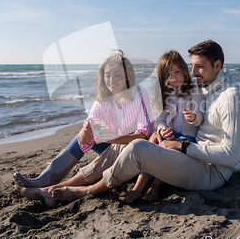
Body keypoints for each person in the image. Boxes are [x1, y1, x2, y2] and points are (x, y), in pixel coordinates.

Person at [29, 40, 240, 204]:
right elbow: (170, 108)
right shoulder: (209, 89)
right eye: (192, 66)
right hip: (196, 159)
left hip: (210, 173)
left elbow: (232, 156)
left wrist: (183, 145)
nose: (192, 71)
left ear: (217, 65)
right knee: (123, 146)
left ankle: (86, 191)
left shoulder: (231, 96)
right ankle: (53, 184)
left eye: (199, 67)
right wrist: (160, 130)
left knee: (137, 146)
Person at [13, 50, 154, 190]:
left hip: (134, 150)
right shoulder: (101, 102)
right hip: (111, 147)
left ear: (127, 76)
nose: (112, 80)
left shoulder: (140, 94)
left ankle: (62, 183)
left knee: (125, 145)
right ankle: (47, 177)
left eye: (117, 75)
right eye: (108, 75)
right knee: (85, 132)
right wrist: (87, 131)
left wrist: (114, 138)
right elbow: (86, 141)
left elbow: (144, 134)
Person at [120, 50, 204, 203]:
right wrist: (161, 129)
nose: (173, 77)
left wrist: (194, 117)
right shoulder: (165, 94)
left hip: (187, 137)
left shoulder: (194, 91)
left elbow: (200, 116)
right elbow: (161, 118)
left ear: (185, 69)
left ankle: (157, 184)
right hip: (169, 134)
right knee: (151, 145)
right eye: (168, 75)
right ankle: (139, 186)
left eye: (177, 72)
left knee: (166, 150)